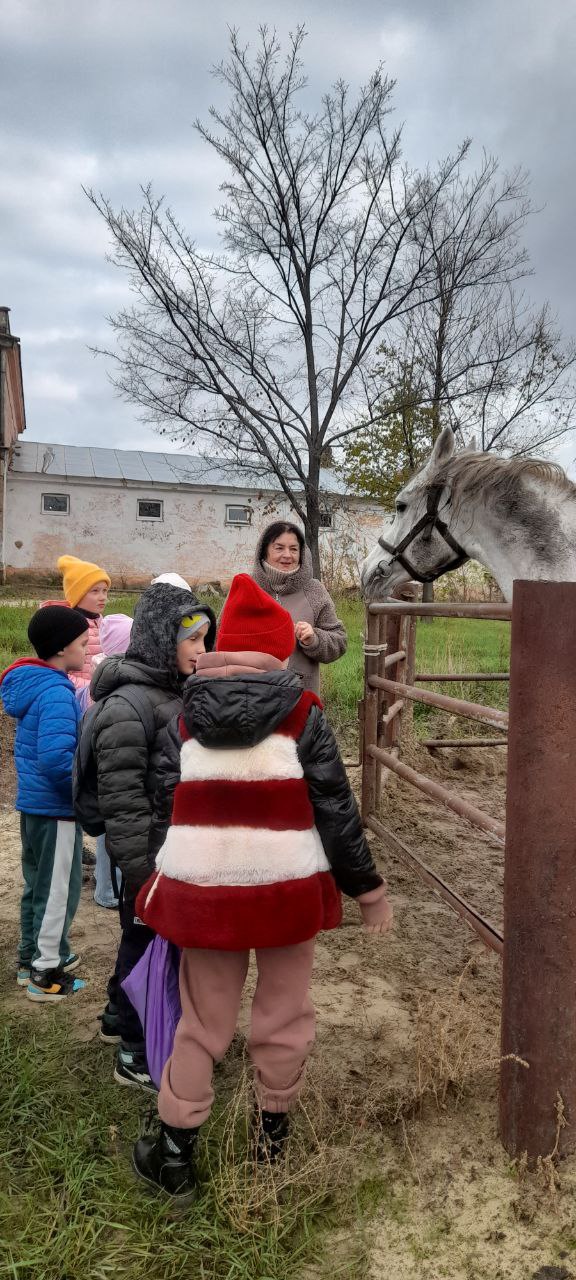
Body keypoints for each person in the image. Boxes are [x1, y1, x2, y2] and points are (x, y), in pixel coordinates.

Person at [132, 574, 393, 1196]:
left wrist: (154, 883)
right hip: (285, 888)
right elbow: (334, 805)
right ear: (279, 649)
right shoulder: (302, 711)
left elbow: (164, 803)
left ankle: (174, 1156)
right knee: (283, 1014)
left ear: (223, 645)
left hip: (204, 894)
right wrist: (368, 890)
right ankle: (269, 1145)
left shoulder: (182, 715)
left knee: (201, 1023)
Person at [90, 583, 216, 1085]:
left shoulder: (170, 690)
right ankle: (135, 1055)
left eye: (206, 639)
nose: (202, 651)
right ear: (163, 639)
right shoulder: (128, 707)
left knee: (138, 943)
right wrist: (143, 877)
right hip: (148, 861)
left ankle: (117, 1019)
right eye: (193, 641)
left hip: (168, 854)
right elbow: (122, 806)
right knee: (147, 950)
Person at [0, 606, 90, 1002]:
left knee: (37, 884)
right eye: (84, 643)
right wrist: (83, 791)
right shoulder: (56, 691)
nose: (87, 650)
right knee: (58, 890)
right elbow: (58, 759)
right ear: (62, 648)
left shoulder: (36, 685)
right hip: (56, 808)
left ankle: (30, 957)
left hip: (34, 806)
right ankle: (45, 973)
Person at [77, 615, 135, 910]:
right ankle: (108, 891)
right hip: (110, 775)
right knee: (111, 837)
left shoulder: (100, 680)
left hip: (109, 774)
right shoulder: (112, 687)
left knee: (112, 835)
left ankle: (110, 887)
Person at [249, 521, 346, 694]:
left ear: (301, 553)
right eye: (279, 548)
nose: (287, 555)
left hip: (300, 698)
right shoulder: (247, 588)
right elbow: (220, 641)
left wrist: (314, 639)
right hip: (251, 699)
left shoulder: (314, 590)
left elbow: (339, 642)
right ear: (264, 551)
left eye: (293, 549)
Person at [44, 555, 111, 691]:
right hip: (77, 695)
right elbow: (56, 672)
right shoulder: (66, 627)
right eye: (95, 591)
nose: (103, 597)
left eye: (105, 591)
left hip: (99, 694)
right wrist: (89, 688)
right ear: (77, 595)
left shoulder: (103, 622)